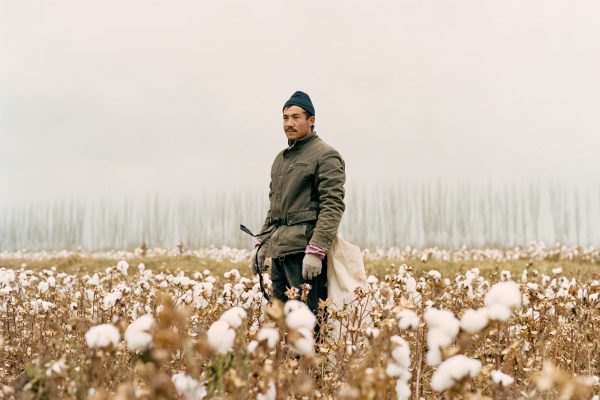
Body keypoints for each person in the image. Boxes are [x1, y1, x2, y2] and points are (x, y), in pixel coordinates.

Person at [250, 91, 346, 316]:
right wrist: (260, 246)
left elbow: (332, 206)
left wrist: (316, 250)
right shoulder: (280, 159)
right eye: (285, 118)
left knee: (308, 326)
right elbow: (275, 208)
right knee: (281, 324)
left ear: (311, 120)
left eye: (295, 117)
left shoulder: (326, 155)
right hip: (279, 252)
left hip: (304, 254)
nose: (289, 123)